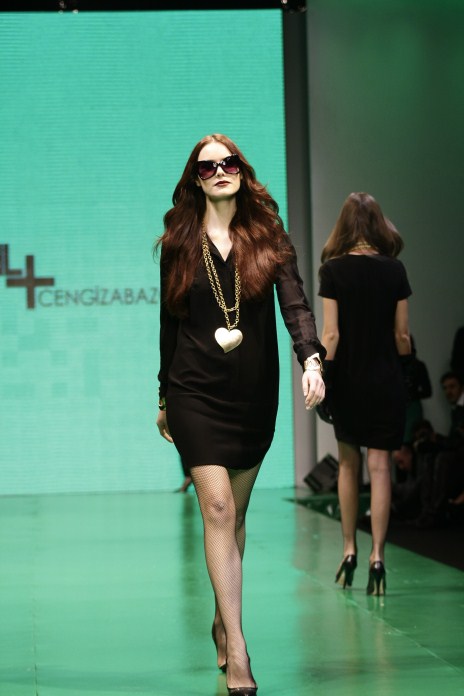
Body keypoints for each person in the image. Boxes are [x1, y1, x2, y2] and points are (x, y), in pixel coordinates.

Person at [155, 134, 325, 695]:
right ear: (196, 178)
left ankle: (221, 618)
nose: (220, 171)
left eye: (228, 162)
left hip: (253, 394)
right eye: (208, 166)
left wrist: (311, 360)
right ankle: (240, 649)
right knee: (219, 508)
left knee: (236, 516)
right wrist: (164, 397)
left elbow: (296, 305)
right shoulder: (180, 242)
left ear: (242, 171)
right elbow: (170, 324)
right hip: (193, 392)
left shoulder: (269, 236)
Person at [318, 192, 411, 596]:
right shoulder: (395, 270)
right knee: (381, 468)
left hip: (349, 381)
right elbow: (402, 336)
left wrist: (325, 379)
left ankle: (349, 549)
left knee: (347, 465)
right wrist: (405, 372)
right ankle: (378, 556)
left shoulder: (332, 270)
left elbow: (331, 335)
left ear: (343, 225)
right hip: (386, 379)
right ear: (378, 224)